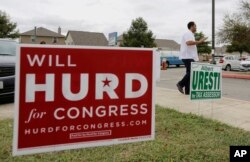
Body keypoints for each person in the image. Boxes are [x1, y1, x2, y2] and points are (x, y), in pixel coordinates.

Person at [177, 21, 207, 95]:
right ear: (191, 27)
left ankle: (187, 91)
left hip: (189, 56)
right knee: (192, 72)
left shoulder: (191, 34)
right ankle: (180, 84)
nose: (196, 28)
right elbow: (188, 43)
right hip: (187, 56)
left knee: (189, 73)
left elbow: (191, 43)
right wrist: (199, 41)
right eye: (195, 26)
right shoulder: (188, 33)